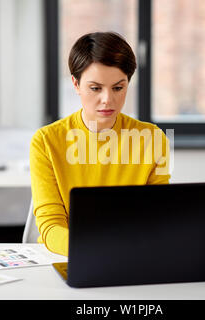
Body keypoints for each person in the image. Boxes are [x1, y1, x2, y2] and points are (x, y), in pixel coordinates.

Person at [30, 31, 171, 256]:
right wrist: (95, 247)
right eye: (95, 88)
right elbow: (50, 225)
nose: (108, 99)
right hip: (70, 255)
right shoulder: (46, 141)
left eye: (118, 88)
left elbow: (157, 216)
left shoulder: (153, 139)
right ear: (76, 84)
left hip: (132, 255)